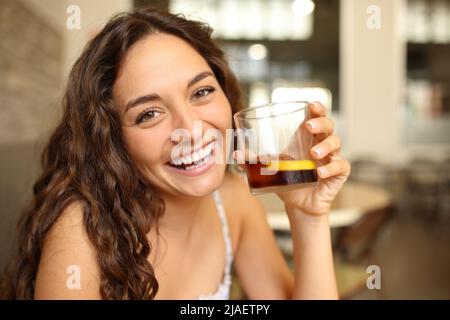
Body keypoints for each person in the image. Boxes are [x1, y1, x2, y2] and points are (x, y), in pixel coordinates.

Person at [1, 7, 350, 300]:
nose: (191, 128)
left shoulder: (234, 203)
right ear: (112, 139)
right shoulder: (82, 231)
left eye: (200, 92)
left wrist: (308, 218)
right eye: (149, 113)